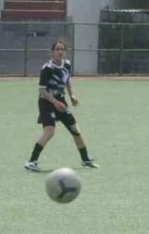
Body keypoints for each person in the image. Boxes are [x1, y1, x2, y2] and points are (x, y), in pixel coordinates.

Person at [24, 39, 98, 171]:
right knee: (49, 131)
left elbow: (67, 80)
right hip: (46, 102)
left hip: (61, 101)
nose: (59, 52)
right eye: (57, 49)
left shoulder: (67, 65)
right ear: (52, 52)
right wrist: (55, 102)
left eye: (62, 49)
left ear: (65, 52)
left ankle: (85, 159)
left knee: (75, 130)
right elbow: (42, 90)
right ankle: (32, 161)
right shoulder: (47, 68)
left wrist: (72, 95)